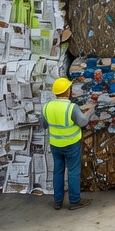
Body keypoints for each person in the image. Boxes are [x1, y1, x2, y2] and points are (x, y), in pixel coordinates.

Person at [43, 77, 91, 211]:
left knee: (58, 172)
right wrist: (90, 111)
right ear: (68, 91)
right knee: (73, 172)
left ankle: (58, 201)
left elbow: (44, 124)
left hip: (55, 145)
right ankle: (74, 201)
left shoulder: (46, 107)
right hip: (71, 144)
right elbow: (82, 122)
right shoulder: (71, 107)